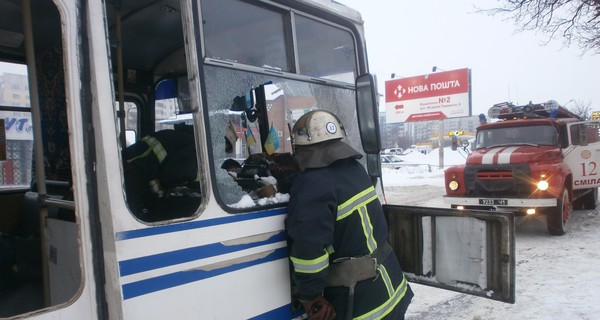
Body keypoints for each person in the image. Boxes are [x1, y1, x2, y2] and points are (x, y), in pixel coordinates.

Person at [286, 110, 413, 320]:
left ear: (301, 148)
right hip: (391, 290)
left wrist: (310, 297)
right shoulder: (355, 170)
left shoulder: (311, 185)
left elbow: (309, 253)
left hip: (361, 304)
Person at [122, 123, 203, 221]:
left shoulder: (181, 138)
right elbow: (173, 175)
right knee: (198, 207)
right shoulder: (194, 148)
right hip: (132, 185)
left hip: (132, 179)